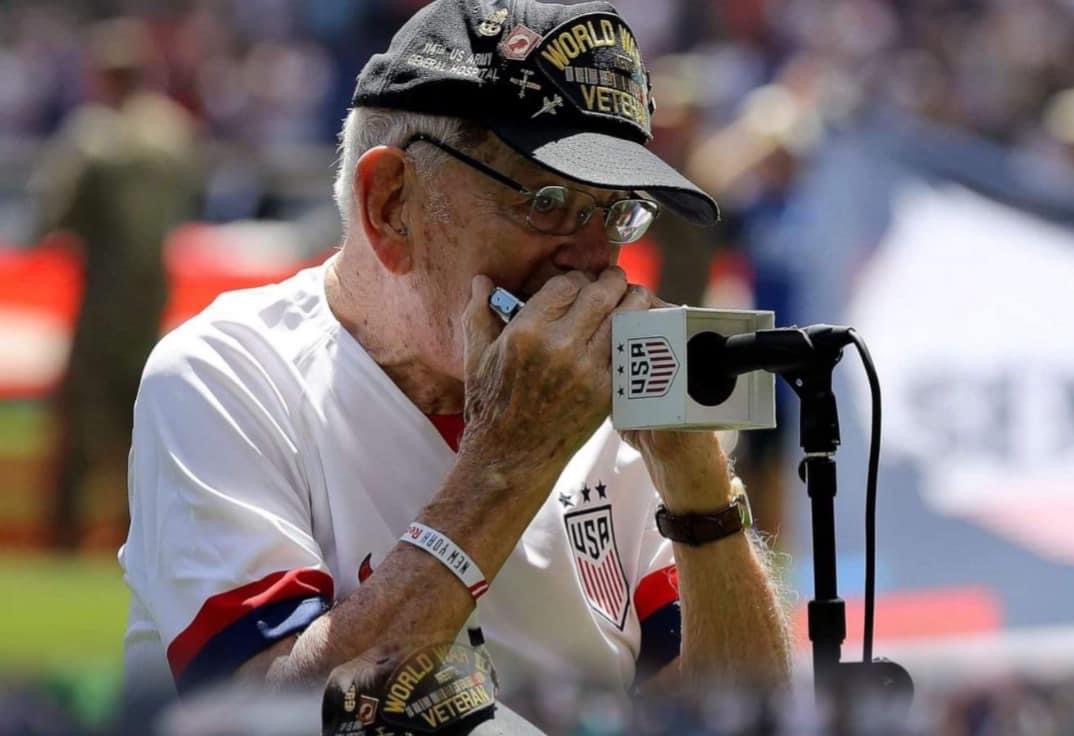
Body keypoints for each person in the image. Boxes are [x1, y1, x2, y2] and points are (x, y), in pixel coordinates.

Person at [121, 0, 791, 699]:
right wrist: (509, 460)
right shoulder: (223, 375)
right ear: (391, 204)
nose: (597, 264)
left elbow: (744, 730)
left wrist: (702, 496)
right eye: (548, 203)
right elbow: (262, 726)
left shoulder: (618, 405)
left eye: (615, 213)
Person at [32, 18, 198, 550]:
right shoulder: (176, 135)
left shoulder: (94, 140)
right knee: (143, 420)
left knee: (80, 418)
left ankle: (65, 534)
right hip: (152, 298)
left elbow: (53, 220)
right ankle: (142, 532)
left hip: (102, 300)